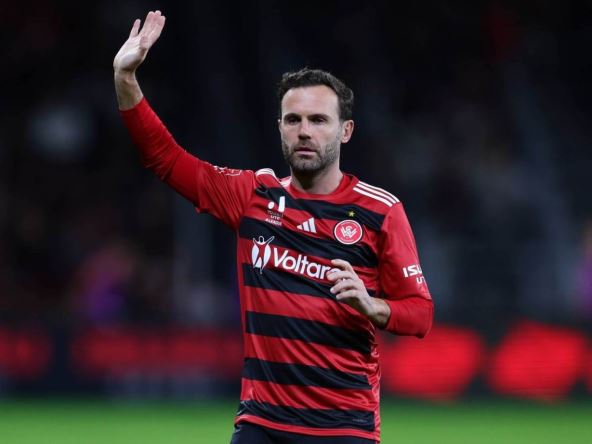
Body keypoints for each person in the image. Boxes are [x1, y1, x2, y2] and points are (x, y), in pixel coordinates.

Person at [114, 10, 434, 444]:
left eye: (318, 120)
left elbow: (420, 314)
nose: (304, 131)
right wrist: (125, 78)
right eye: (293, 120)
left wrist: (372, 305)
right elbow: (165, 159)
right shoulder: (253, 195)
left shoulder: (381, 210)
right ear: (280, 128)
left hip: (344, 426)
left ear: (346, 131)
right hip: (262, 424)